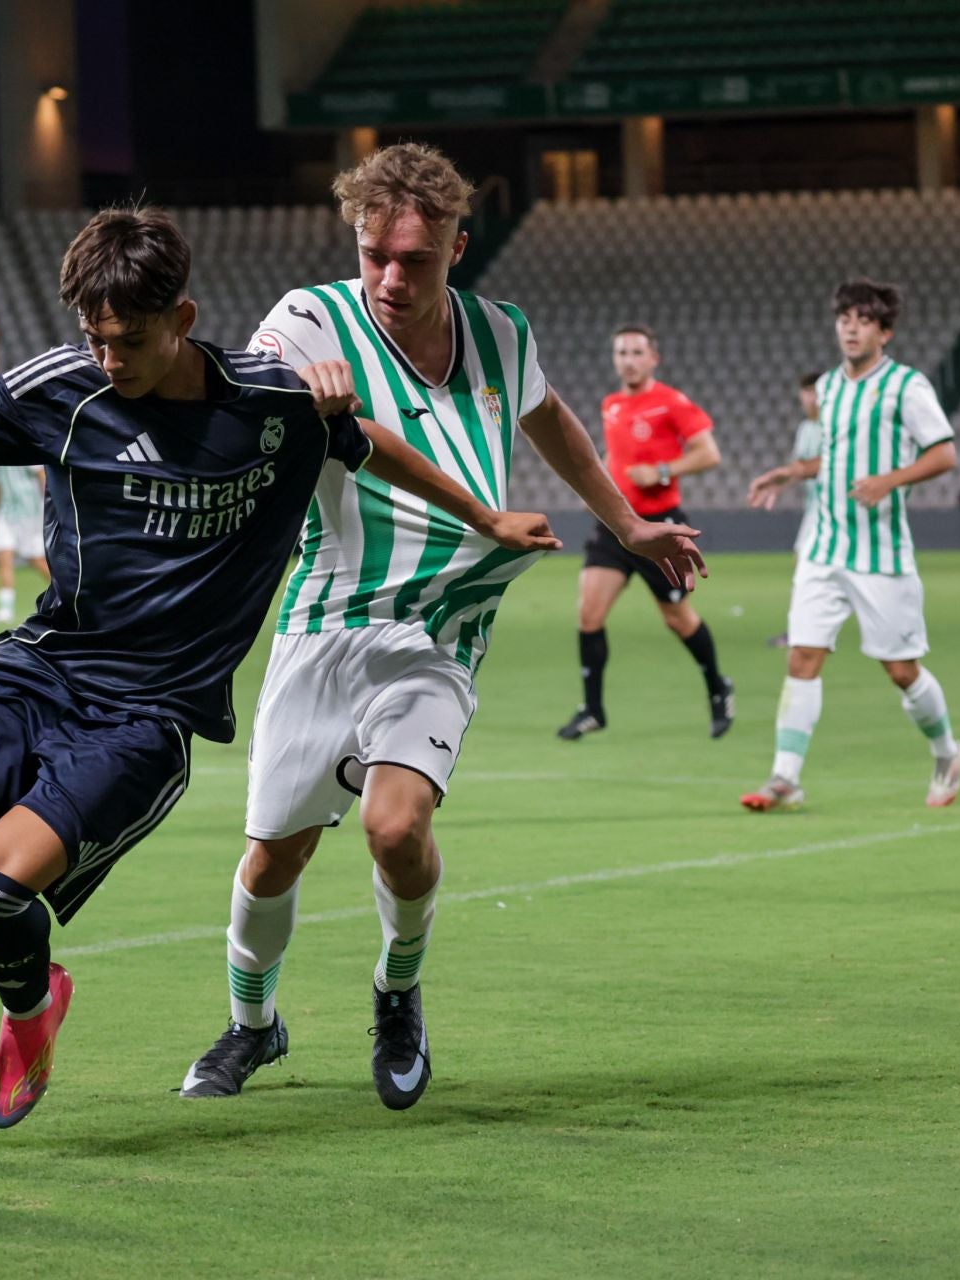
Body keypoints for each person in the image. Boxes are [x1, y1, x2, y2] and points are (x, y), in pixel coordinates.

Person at [0, 204, 562, 1160]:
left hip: (146, 716)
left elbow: (373, 443)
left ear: (183, 317)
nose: (110, 359)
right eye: (94, 337)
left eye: (130, 339)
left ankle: (32, 1002)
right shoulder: (64, 387)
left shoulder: (272, 403)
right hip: (36, 671)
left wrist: (488, 516)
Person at [179, 143, 708, 1108]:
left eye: (414, 259)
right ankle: (254, 1027)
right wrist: (473, 505)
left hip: (440, 623)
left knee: (396, 827)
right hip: (323, 618)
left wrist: (626, 521)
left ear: (458, 248)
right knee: (274, 855)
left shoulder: (502, 332)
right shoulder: (305, 321)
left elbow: (549, 419)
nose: (389, 276)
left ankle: (398, 991)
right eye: (374, 252)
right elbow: (308, 434)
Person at [742, 279, 960, 811]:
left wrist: (889, 480)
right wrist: (794, 473)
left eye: (864, 319)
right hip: (824, 547)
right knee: (802, 656)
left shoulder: (907, 387)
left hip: (880, 554)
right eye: (845, 316)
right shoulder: (828, 388)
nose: (850, 326)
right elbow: (840, 456)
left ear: (885, 332)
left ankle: (946, 751)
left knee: (901, 670)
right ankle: (785, 778)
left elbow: (944, 454)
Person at [555, 324, 731, 740]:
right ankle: (592, 709)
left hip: (659, 527)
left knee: (678, 619)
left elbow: (710, 454)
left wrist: (663, 470)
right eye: (621, 353)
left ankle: (718, 686)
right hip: (615, 526)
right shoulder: (612, 404)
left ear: (654, 358)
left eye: (636, 352)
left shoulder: (670, 402)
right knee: (588, 613)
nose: (628, 360)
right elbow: (613, 454)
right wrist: (596, 488)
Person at [768, 372, 826, 649]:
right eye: (806, 392)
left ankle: (802, 631)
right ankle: (809, 628)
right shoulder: (806, 428)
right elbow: (798, 466)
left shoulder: (833, 426)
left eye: (815, 392)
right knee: (807, 565)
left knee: (805, 563)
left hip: (833, 506)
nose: (810, 398)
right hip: (814, 507)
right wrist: (779, 485)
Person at [0, 464, 50, 624]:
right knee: (3, 557)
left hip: (31, 514)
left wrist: (49, 507)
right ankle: (5, 610)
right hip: (5, 513)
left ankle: (69, 595)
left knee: (36, 560)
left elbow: (42, 476)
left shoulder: (22, 445)